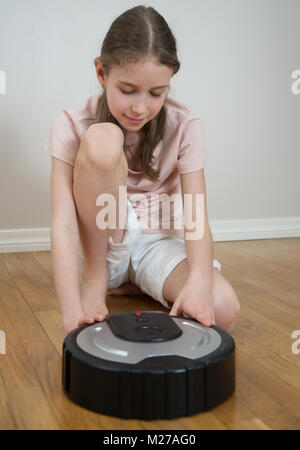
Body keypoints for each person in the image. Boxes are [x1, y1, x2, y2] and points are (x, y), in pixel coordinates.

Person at [44, 5, 240, 337]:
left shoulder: (185, 124)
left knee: (222, 309)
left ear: (169, 83)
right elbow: (63, 223)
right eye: (128, 90)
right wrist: (70, 311)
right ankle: (98, 279)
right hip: (104, 245)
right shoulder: (71, 124)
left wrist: (198, 283)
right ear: (102, 73)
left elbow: (196, 217)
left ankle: (140, 280)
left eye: (156, 93)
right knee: (104, 140)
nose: (140, 107)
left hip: (157, 243)